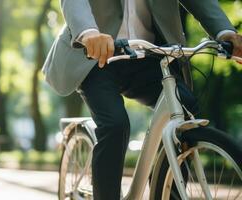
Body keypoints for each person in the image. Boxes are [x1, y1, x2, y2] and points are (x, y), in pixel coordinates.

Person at [42, 0, 242, 199]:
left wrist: (225, 32)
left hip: (148, 55)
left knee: (185, 108)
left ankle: (161, 187)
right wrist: (88, 32)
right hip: (95, 57)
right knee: (115, 125)